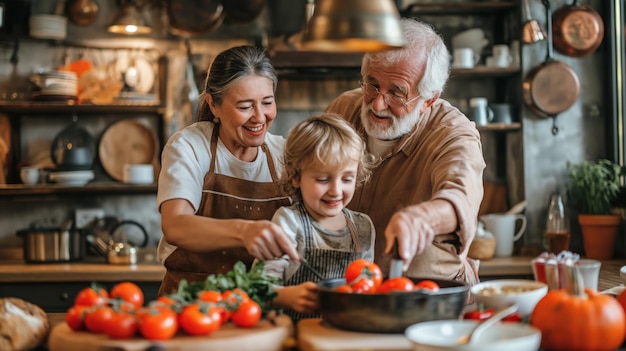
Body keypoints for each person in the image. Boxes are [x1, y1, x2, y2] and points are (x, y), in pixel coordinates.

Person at [325, 18, 486, 285]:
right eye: (372, 84)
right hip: (353, 286)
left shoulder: (453, 133)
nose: (377, 104)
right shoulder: (343, 110)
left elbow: (460, 198)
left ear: (429, 100)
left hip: (431, 293)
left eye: (397, 94)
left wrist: (423, 218)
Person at [156, 45, 299, 295]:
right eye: (245, 107)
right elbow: (175, 225)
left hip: (259, 303)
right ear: (213, 105)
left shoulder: (285, 154)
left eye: (267, 102)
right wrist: (244, 231)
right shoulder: (189, 146)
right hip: (191, 303)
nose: (259, 117)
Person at [261, 112, 375, 320]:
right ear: (295, 175)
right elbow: (258, 288)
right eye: (323, 179)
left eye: (347, 179)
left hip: (344, 336)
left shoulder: (363, 227)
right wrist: (284, 296)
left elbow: (369, 288)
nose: (336, 190)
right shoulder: (288, 221)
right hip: (294, 337)